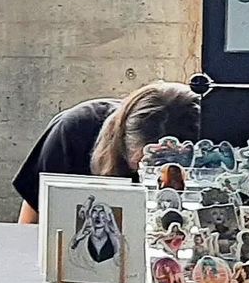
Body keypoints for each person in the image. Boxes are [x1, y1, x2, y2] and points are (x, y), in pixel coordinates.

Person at [13, 81, 200, 224]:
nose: (157, 178)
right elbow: (33, 219)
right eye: (144, 166)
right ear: (122, 138)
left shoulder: (209, 148)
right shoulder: (74, 132)